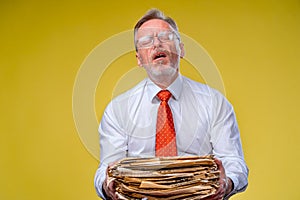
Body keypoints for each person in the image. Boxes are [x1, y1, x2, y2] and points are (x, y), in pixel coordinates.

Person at [94, 8, 248, 200]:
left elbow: (234, 162)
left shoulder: (214, 103)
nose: (157, 44)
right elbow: (106, 170)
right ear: (139, 59)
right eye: (146, 41)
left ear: (181, 49)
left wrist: (227, 183)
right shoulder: (117, 110)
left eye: (165, 37)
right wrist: (107, 185)